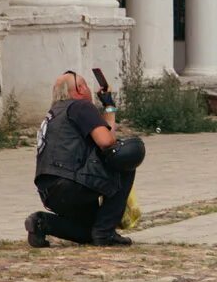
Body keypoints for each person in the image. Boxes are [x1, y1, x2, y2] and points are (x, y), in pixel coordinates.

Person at [26, 70, 137, 247]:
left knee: (88, 232)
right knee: (126, 158)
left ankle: (42, 222)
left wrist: (109, 106)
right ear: (80, 88)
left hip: (49, 190)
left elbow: (105, 132)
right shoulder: (81, 106)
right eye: (85, 84)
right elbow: (107, 141)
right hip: (72, 183)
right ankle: (105, 233)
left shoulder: (55, 112)